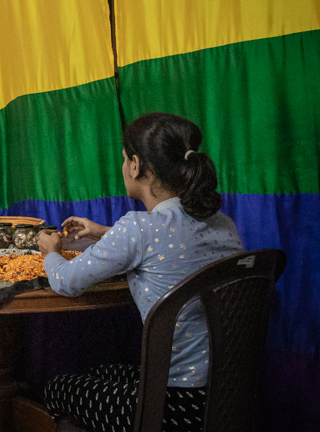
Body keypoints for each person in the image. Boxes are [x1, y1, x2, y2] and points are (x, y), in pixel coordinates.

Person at [37, 112, 243, 432]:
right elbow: (169, 245)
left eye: (124, 160)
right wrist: (103, 231)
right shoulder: (224, 224)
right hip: (226, 394)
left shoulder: (138, 228)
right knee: (105, 371)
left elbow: (65, 281)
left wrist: (50, 251)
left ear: (135, 165)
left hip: (170, 406)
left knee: (58, 387)